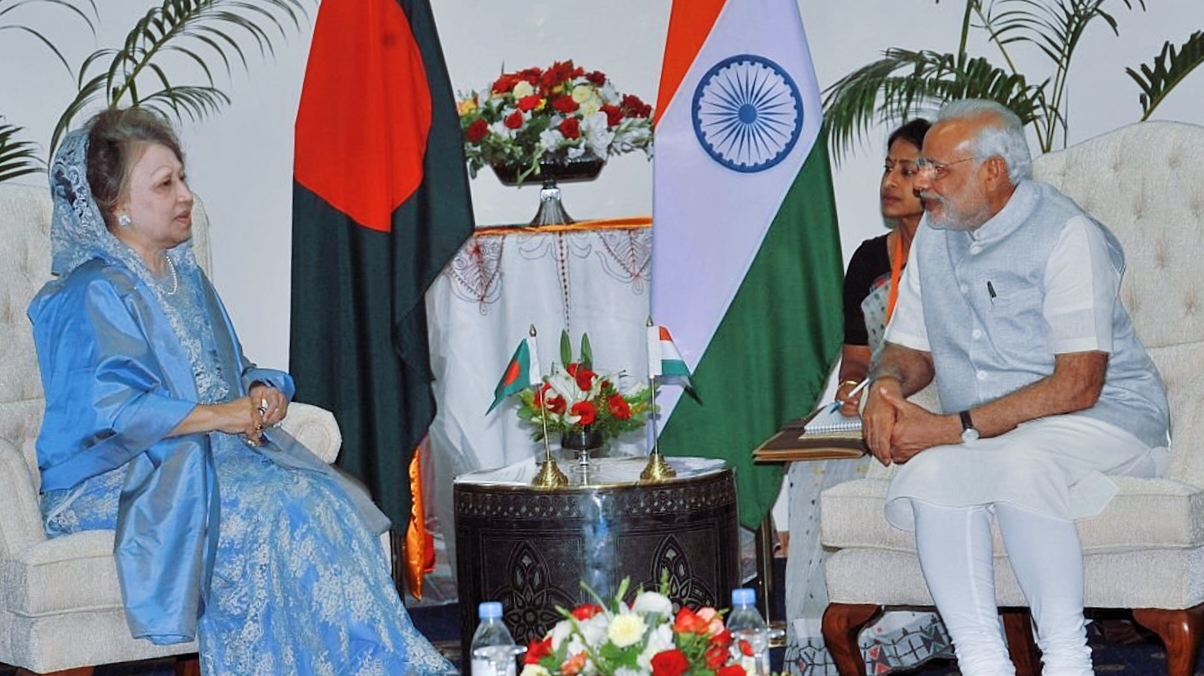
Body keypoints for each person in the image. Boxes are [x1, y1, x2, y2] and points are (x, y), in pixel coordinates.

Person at [29, 107, 453, 676]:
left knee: (322, 496)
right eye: (165, 184)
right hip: (116, 478)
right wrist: (223, 415)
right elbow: (115, 413)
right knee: (274, 509)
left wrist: (260, 389)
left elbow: (229, 368)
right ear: (117, 205)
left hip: (201, 459)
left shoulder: (184, 277)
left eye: (183, 178)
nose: (186, 195)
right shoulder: (90, 292)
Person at [862, 99, 1170, 676]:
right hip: (990, 435)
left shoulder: (1067, 234)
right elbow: (910, 349)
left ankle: (1068, 660)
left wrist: (952, 428)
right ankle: (982, 661)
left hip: (1109, 418)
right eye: (921, 167)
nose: (922, 182)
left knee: (1020, 463)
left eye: (937, 168)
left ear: (993, 171)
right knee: (932, 473)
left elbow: (1078, 385)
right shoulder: (934, 235)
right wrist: (885, 386)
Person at [786, 119, 952, 676]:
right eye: (887, 168)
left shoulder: (960, 252)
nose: (890, 181)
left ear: (935, 178)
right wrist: (850, 388)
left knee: (882, 454)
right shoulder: (867, 260)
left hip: (935, 404)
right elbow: (857, 357)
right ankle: (825, 633)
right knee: (812, 461)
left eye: (906, 170)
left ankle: (902, 629)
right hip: (875, 399)